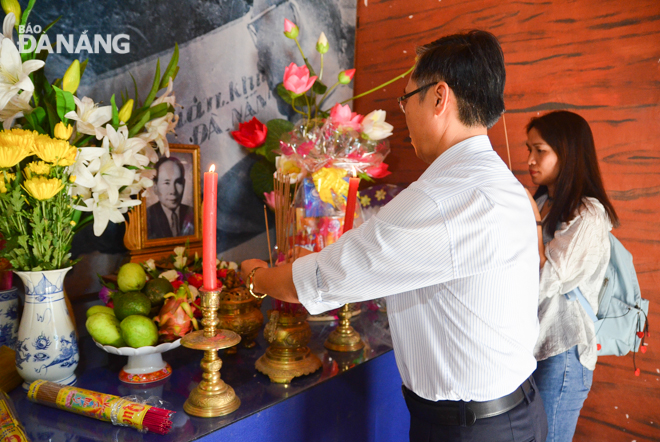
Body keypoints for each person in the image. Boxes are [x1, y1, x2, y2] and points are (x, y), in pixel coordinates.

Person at [241, 30, 547, 442]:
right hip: (516, 410)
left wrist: (257, 277)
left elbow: (322, 280)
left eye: (406, 99)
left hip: (471, 429)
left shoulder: (441, 199)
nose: (402, 114)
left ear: (440, 98)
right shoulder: (501, 182)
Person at [525, 110, 618, 442]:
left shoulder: (588, 213)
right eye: (528, 150)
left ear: (567, 153)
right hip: (532, 346)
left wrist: (531, 223)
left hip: (562, 351)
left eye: (540, 150)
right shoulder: (544, 201)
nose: (530, 160)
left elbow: (545, 279)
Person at [147, 156, 195, 239]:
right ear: (155, 187)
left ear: (184, 184)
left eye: (178, 182)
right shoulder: (147, 217)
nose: (173, 191)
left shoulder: (192, 213)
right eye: (166, 183)